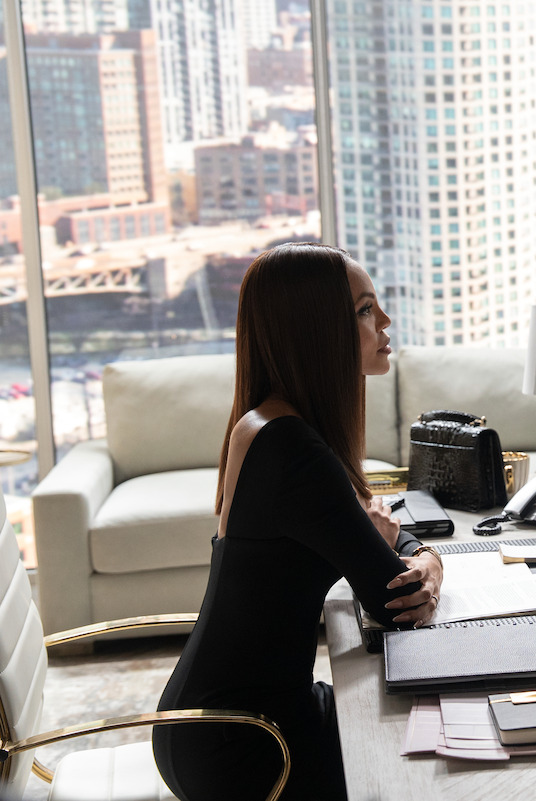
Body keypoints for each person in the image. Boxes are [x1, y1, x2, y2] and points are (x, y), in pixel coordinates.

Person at [153, 242, 445, 800]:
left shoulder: (268, 422)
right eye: (363, 310)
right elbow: (397, 606)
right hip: (248, 742)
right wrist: (423, 561)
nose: (385, 321)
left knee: (401, 726)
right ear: (316, 332)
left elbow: (376, 530)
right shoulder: (293, 452)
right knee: (422, 758)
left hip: (215, 718)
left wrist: (421, 555)